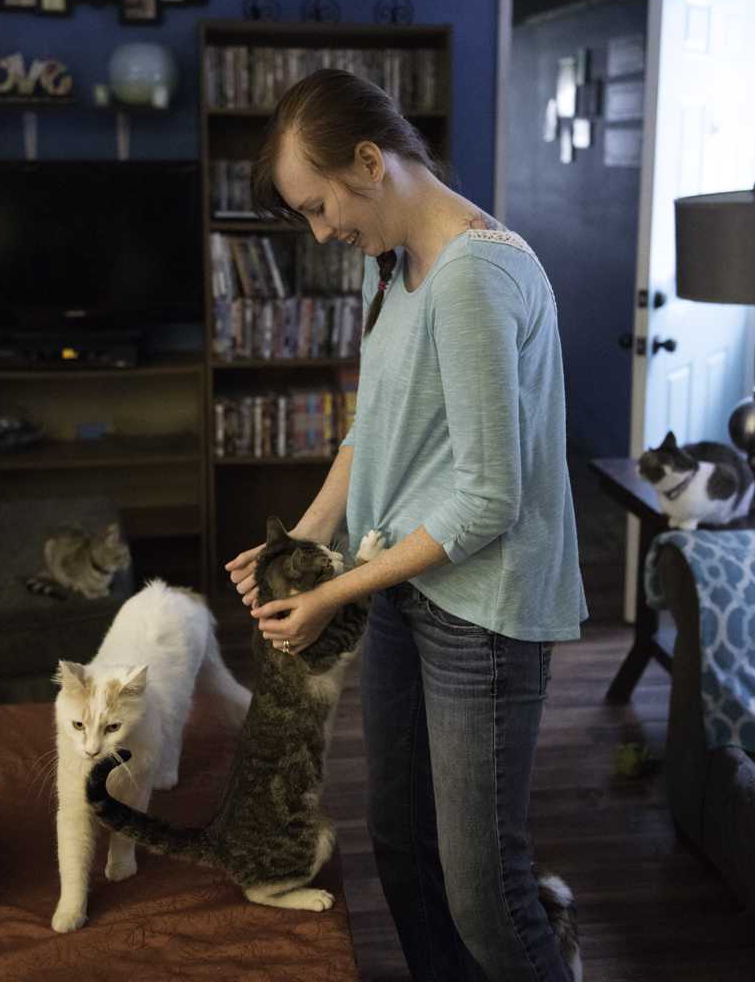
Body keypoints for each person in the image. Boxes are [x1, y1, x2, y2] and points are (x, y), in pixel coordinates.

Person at [225, 69, 587, 982]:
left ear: (369, 161)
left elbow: (487, 501)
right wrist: (299, 548)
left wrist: (333, 594)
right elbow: (374, 431)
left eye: (318, 206)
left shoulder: (475, 275)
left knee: (486, 892)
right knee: (401, 846)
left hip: (484, 613)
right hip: (407, 585)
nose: (322, 231)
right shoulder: (396, 267)